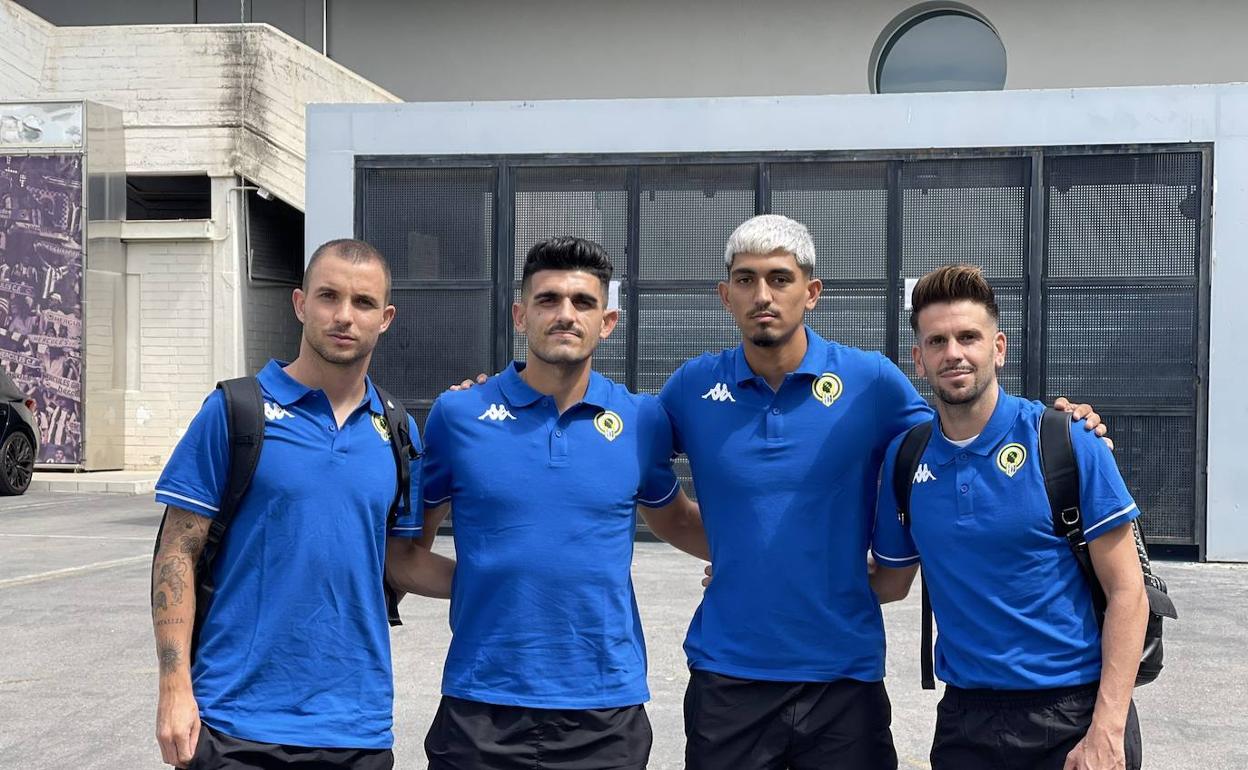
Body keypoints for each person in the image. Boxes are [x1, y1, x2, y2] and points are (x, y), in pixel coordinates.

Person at [657, 215, 1106, 770]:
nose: (762, 295)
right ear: (726, 296)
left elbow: (959, 432)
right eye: (745, 280)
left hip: (845, 681)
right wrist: (741, 556)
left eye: (779, 277)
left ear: (812, 292)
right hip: (728, 675)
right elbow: (648, 491)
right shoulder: (690, 388)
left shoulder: (870, 382)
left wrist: (1064, 425)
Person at [150, 239, 452, 769]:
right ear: (299, 303)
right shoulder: (236, 411)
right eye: (328, 296)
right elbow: (177, 551)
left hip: (357, 726)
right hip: (234, 721)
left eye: (362, 303)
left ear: (385, 318)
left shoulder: (400, 432)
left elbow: (400, 561)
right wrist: (175, 688)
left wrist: (504, 579)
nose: (343, 316)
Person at [412, 236, 707, 770]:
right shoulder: (458, 415)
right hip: (482, 706)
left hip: (605, 711)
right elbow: (407, 556)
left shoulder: (642, 421)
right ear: (520, 315)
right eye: (548, 300)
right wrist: (495, 582)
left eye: (583, 302)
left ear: (607, 322)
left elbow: (677, 521)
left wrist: (764, 558)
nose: (565, 314)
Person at [871, 264, 1147, 770]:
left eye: (968, 337)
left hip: (1073, 712)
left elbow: (1129, 590)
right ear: (918, 359)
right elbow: (889, 583)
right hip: (964, 720)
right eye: (937, 341)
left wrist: (1107, 728)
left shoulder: (1066, 441)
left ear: (998, 348)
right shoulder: (906, 459)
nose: (953, 352)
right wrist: (763, 576)